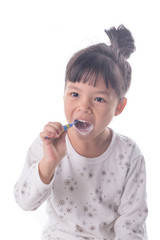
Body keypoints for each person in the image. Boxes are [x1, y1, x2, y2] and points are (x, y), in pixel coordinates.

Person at [14, 25, 148, 240]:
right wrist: (49, 163)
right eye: (75, 93)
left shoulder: (129, 154)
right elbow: (24, 201)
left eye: (99, 99)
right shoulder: (46, 144)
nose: (83, 106)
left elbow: (131, 224)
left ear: (119, 107)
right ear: (64, 94)